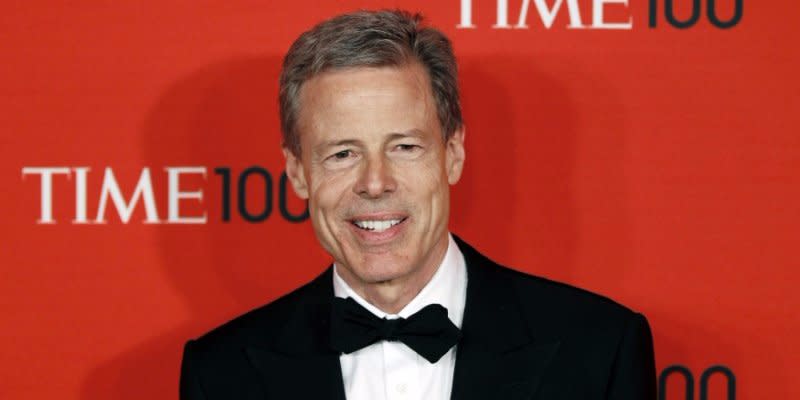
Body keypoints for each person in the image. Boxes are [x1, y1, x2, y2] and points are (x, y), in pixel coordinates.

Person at [179, 9, 656, 400]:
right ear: (299, 172)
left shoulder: (599, 351)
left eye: (404, 147)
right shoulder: (221, 374)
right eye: (342, 153)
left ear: (453, 154)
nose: (375, 182)